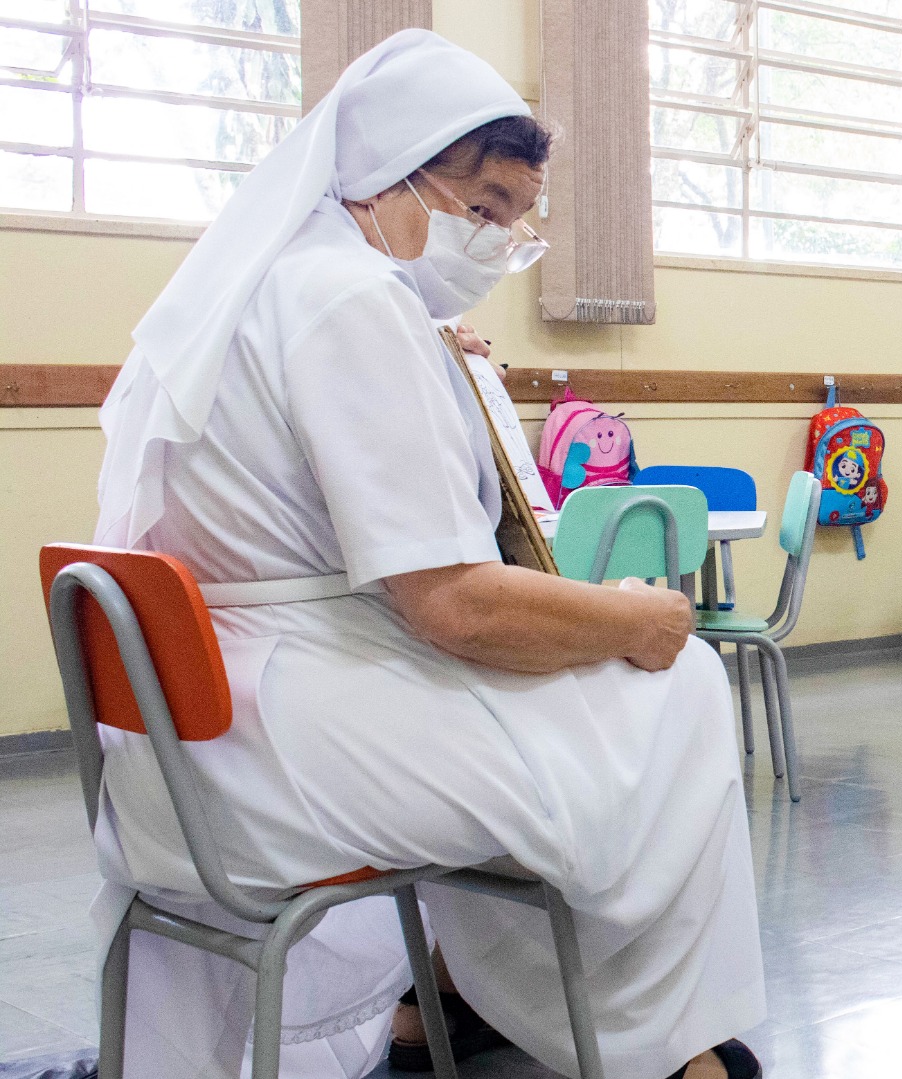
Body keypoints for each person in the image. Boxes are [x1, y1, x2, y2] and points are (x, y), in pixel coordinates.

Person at [89, 31, 762, 1079]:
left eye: (515, 220)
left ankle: (458, 998)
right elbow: (455, 606)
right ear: (389, 167)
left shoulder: (250, 289)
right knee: (678, 692)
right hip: (288, 736)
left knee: (551, 731)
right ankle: (661, 1043)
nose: (495, 240)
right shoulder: (349, 297)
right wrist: (639, 617)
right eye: (483, 206)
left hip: (192, 739)